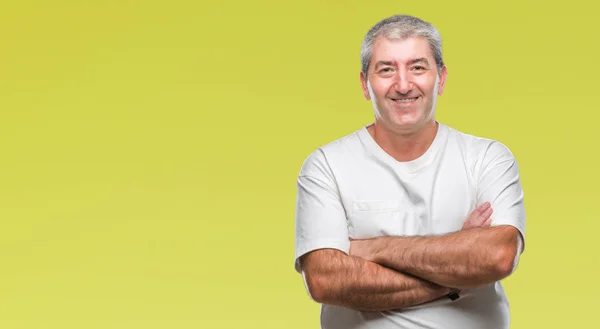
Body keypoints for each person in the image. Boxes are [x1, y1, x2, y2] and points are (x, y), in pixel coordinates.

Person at [293, 14, 525, 329]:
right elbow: (325, 280)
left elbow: (497, 256)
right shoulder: (326, 165)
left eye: (417, 67)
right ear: (365, 84)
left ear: (441, 78)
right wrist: (456, 277)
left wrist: (372, 249)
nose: (403, 85)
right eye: (387, 70)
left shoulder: (486, 158)